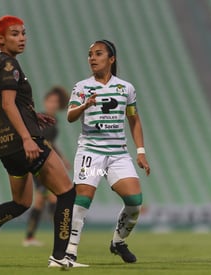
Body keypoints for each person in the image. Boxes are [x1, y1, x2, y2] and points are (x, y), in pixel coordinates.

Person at [0, 15, 87, 268]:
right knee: (67, 192)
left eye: (23, 33)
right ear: (0, 39)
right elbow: (8, 103)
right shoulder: (10, 65)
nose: (21, 38)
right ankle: (59, 257)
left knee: (21, 203)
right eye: (14, 34)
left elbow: (6, 104)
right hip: (24, 141)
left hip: (4, 145)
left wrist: (34, 115)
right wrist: (27, 137)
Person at [65, 40, 150, 263]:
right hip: (90, 152)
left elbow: (134, 119)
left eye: (98, 54)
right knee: (83, 198)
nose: (92, 58)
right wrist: (84, 106)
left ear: (111, 59)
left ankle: (118, 242)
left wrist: (140, 151)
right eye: (90, 54)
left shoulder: (126, 88)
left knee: (134, 201)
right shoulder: (82, 86)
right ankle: (70, 251)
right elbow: (70, 116)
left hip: (118, 154)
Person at [23, 86, 70, 247]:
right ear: (45, 102)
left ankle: (29, 238)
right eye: (50, 101)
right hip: (37, 163)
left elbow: (50, 145)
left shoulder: (54, 124)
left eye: (55, 101)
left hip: (44, 163)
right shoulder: (40, 119)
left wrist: (62, 158)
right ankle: (62, 235)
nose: (52, 104)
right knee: (52, 198)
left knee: (40, 201)